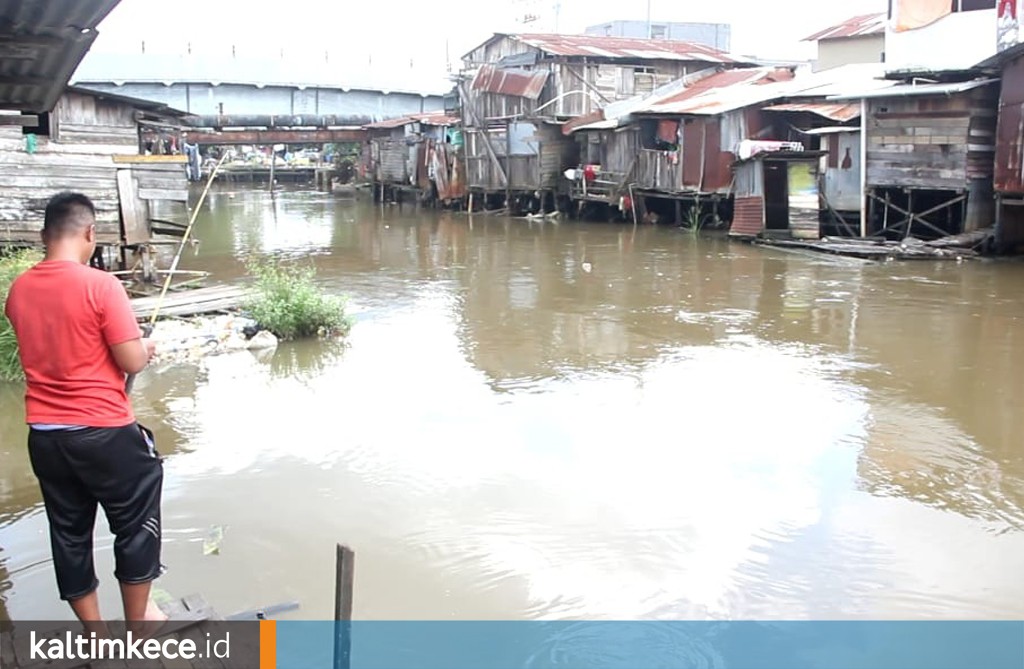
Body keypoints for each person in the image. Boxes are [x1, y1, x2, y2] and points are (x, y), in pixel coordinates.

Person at [3, 192, 167, 633]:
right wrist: (145, 347)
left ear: (43, 236)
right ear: (90, 233)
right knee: (135, 523)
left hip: (46, 435)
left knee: (69, 532)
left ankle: (95, 633)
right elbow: (130, 361)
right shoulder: (101, 285)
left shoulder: (19, 289)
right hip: (104, 432)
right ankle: (139, 622)